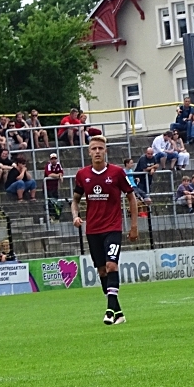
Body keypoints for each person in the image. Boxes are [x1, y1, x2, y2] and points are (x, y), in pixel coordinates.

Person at [72, 135, 139, 326]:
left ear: (106, 150)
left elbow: (131, 197)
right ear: (89, 152)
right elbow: (75, 200)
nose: (97, 152)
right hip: (92, 230)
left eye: (101, 148)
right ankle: (118, 313)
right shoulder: (82, 174)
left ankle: (109, 310)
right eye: (94, 149)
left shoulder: (117, 173)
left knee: (111, 266)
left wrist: (134, 226)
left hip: (112, 228)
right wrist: (75, 216)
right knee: (102, 271)